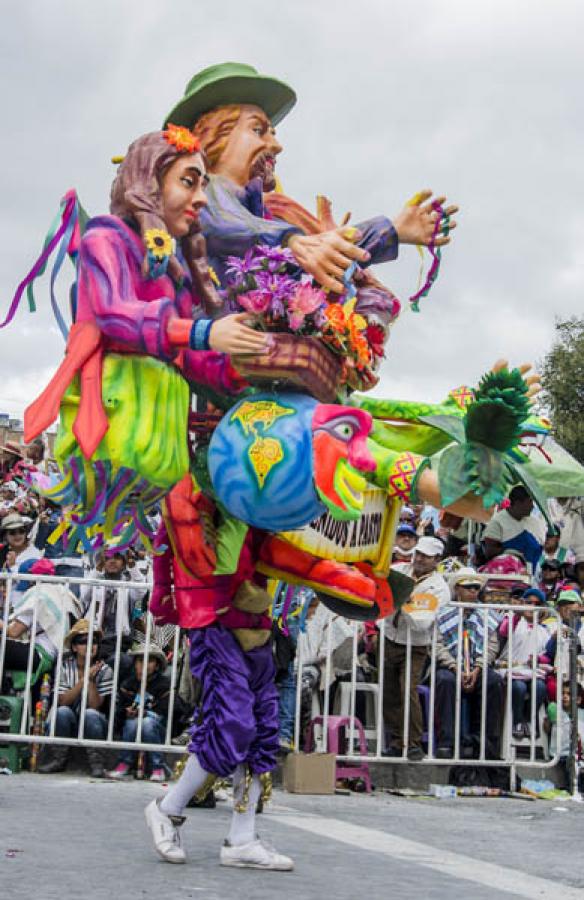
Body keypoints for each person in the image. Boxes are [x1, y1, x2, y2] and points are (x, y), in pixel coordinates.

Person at [384, 536, 449, 759]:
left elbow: (422, 622)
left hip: (416, 645)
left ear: (437, 559)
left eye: (426, 556)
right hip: (389, 636)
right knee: (389, 691)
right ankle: (395, 740)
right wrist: (408, 601)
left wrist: (402, 599)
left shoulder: (439, 588)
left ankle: (412, 742)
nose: (419, 559)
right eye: (418, 553)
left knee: (408, 690)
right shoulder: (400, 569)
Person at [434, 569, 502, 758]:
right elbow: (437, 646)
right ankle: (446, 742)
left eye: (476, 588)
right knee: (445, 680)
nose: (473, 591)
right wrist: (455, 666)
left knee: (494, 682)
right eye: (468, 587)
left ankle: (484, 741)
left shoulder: (486, 613)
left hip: (477, 667)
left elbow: (492, 646)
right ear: (457, 589)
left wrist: (478, 668)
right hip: (449, 666)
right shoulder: (442, 612)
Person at [38, 619, 113, 777]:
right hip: (69, 719)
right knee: (62, 711)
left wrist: (91, 680)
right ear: (74, 646)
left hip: (93, 721)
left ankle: (97, 763)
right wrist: (84, 678)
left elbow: (95, 706)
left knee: (90, 714)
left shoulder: (105, 669)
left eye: (94, 641)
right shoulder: (64, 667)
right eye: (83, 641)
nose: (90, 645)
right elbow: (63, 701)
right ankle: (58, 759)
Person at [107, 644, 172, 782]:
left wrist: (146, 714)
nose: (145, 665)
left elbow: (165, 713)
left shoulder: (164, 684)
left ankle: (157, 768)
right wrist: (127, 712)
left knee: (147, 722)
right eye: (140, 660)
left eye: (150, 661)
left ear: (157, 665)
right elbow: (118, 715)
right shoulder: (127, 684)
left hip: (156, 728)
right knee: (132, 722)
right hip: (132, 727)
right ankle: (124, 763)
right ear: (135, 663)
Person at [497, 588, 550, 739]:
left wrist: (538, 660)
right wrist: (518, 613)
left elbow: (547, 656)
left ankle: (530, 719)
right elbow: (504, 631)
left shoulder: (543, 630)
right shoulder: (512, 621)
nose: (532, 607)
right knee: (519, 688)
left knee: (539, 687)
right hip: (511, 669)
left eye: (536, 604)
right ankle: (517, 721)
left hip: (533, 670)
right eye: (528, 603)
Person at [482, 485, 546, 573]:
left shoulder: (534, 522)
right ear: (518, 502)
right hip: (507, 575)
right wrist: (510, 552)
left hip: (530, 574)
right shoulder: (497, 522)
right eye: (530, 502)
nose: (532, 506)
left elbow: (541, 546)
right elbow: (489, 552)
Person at [541, 589, 583, 701]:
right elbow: (547, 655)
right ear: (558, 608)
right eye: (562, 604)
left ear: (580, 606)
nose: (566, 607)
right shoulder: (550, 626)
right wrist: (554, 639)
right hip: (559, 678)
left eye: (570, 603)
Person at [0, 512, 41, 607]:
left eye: (21, 531)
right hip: (4, 605)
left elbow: (30, 583)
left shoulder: (34, 554)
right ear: (5, 535)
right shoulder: (3, 551)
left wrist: (13, 566)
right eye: (12, 532)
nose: (18, 535)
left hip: (24, 607)